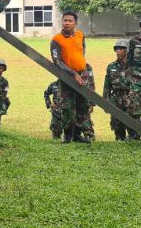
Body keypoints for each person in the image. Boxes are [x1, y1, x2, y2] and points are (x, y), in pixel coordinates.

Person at [50, 11, 94, 143]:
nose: (67, 23)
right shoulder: (56, 40)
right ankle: (68, 135)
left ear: (76, 23)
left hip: (82, 75)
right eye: (65, 20)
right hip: (67, 77)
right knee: (68, 107)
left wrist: (83, 69)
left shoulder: (80, 35)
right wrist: (73, 74)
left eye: (70, 20)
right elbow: (57, 61)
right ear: (62, 22)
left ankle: (77, 135)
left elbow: (82, 52)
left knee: (82, 105)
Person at [103, 39, 133, 141]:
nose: (118, 51)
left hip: (130, 96)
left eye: (121, 49)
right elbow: (107, 85)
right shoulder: (111, 66)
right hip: (115, 96)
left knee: (132, 119)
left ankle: (133, 139)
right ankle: (120, 139)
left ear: (127, 50)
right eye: (117, 49)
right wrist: (105, 100)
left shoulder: (133, 66)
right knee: (116, 120)